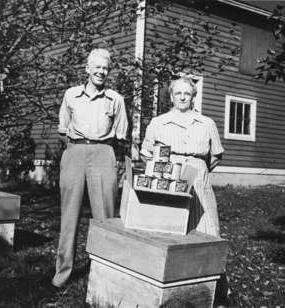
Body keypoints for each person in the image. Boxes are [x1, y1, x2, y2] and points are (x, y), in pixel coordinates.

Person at [140, 77, 230, 306]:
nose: (182, 97)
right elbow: (146, 153)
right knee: (168, 230)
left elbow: (215, 156)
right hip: (169, 175)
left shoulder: (206, 123)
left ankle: (214, 290)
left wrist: (198, 170)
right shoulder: (159, 122)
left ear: (193, 97)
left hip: (199, 176)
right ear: (170, 97)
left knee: (208, 230)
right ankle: (167, 290)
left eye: (186, 94)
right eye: (177, 93)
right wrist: (164, 169)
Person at [52, 48, 128, 288]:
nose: (101, 72)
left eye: (105, 68)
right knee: (69, 214)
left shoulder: (116, 99)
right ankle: (62, 272)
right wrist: (76, 149)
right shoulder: (71, 95)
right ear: (87, 69)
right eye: (97, 67)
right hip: (74, 152)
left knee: (105, 216)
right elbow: (63, 130)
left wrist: (109, 156)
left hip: (104, 152)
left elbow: (121, 135)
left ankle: (105, 274)